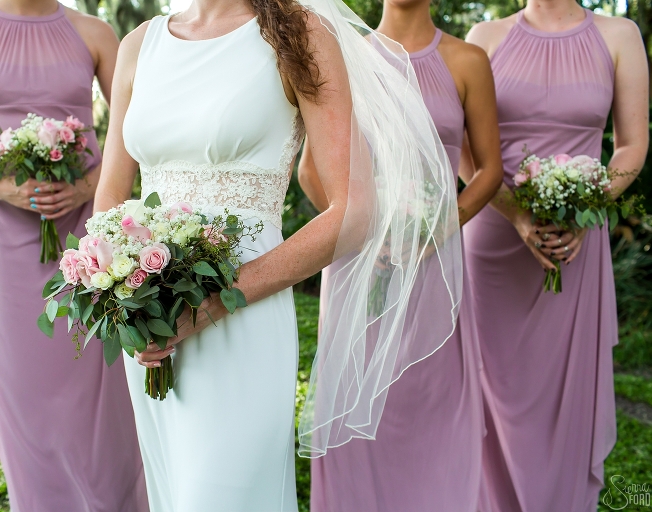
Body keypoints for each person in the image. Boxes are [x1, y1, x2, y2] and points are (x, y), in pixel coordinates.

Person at [93, 0, 461, 508]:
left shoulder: (300, 32)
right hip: (153, 329)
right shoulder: (138, 46)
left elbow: (353, 210)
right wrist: (128, 303)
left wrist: (214, 304)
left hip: (244, 318)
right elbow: (110, 202)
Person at [0, 1, 148, 510]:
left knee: (99, 384)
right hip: (3, 237)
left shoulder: (96, 32)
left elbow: (135, 129)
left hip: (88, 226)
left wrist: (90, 184)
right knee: (24, 394)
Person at [298, 0, 502, 509]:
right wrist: (368, 233)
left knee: (435, 404)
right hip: (359, 265)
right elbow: (309, 171)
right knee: (361, 410)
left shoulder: (468, 60)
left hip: (436, 268)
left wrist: (434, 232)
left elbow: (489, 172)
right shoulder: (344, 59)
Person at [462, 3, 648, 510]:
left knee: (563, 401)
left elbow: (631, 146)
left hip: (574, 244)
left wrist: (585, 209)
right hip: (494, 241)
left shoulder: (620, 34)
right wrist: (518, 216)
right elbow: (463, 145)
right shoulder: (486, 35)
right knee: (489, 393)